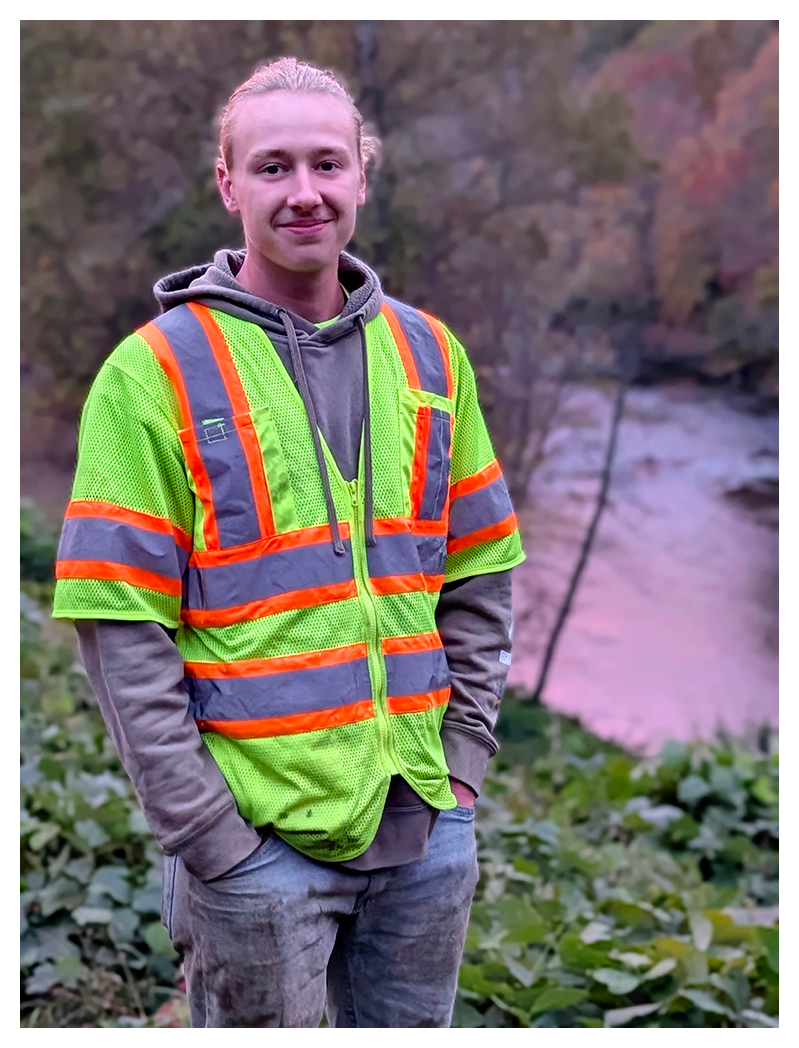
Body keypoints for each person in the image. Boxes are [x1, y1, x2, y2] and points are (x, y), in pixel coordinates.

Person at [52, 56, 525, 1028]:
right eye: (272, 168)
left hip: (425, 832)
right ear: (228, 185)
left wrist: (465, 765)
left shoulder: (433, 357)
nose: (303, 193)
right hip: (258, 855)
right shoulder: (153, 376)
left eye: (326, 164)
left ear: (362, 173)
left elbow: (481, 576)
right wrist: (208, 835)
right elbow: (118, 624)